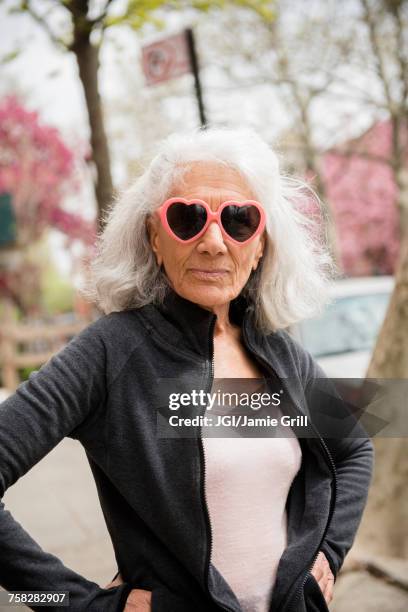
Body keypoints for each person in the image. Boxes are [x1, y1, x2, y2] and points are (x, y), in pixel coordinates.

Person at [0, 127, 373, 612]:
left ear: (260, 245)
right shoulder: (112, 352)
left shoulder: (282, 355)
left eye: (239, 220)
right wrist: (78, 604)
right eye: (188, 218)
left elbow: (355, 448)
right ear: (155, 237)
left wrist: (331, 552)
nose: (214, 242)